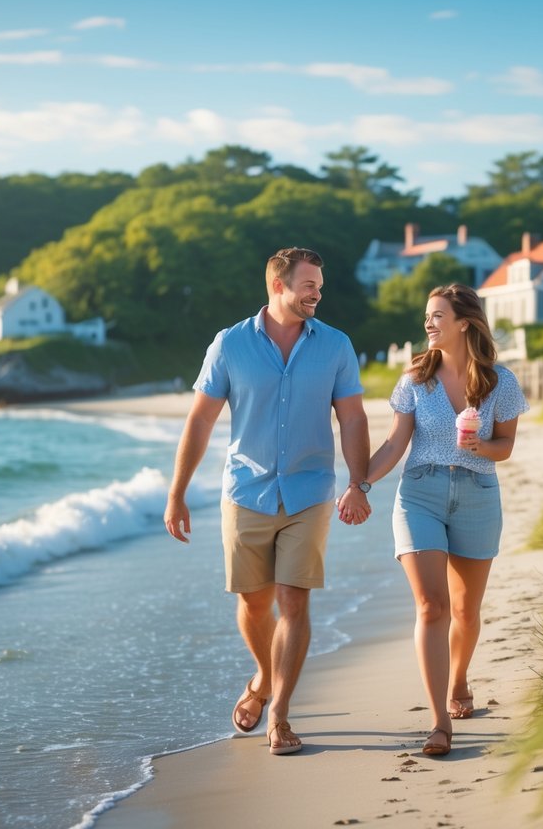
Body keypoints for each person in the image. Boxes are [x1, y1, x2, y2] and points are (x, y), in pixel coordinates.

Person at [164, 246, 371, 756]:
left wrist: (357, 482)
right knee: (253, 604)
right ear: (278, 286)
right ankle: (263, 677)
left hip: (310, 490)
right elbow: (200, 421)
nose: (317, 293)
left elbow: (353, 419)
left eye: (319, 285)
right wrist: (177, 492)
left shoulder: (336, 346)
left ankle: (279, 714)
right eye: (308, 285)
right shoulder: (229, 345)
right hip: (246, 491)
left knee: (294, 600)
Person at [349, 284, 528, 757]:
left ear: (464, 322)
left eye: (436, 316)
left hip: (478, 494)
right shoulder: (415, 379)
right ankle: (439, 721)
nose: (428, 324)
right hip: (420, 494)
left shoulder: (500, 382)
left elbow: (505, 447)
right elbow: (394, 445)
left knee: (466, 612)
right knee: (432, 607)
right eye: (426, 316)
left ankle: (460, 676)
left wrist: (479, 447)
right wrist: (359, 482)